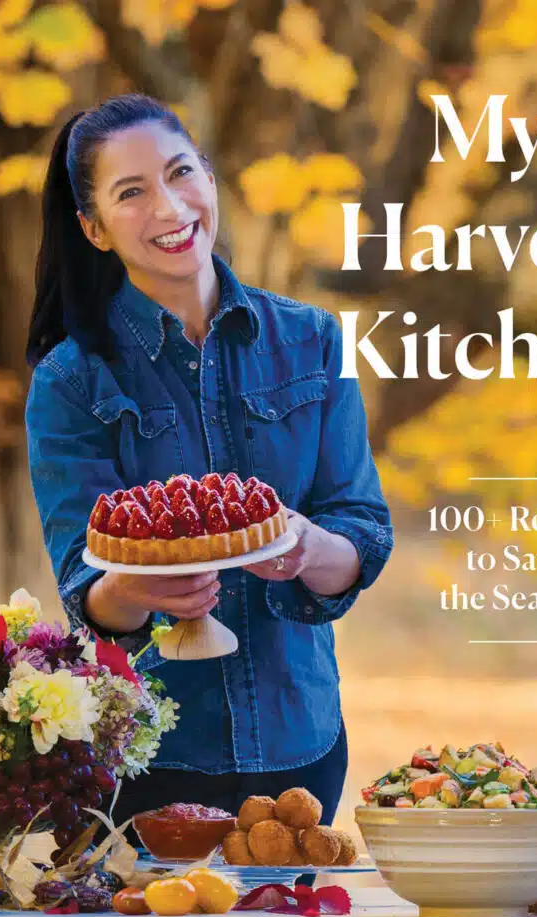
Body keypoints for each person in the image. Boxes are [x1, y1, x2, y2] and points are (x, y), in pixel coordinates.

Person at [25, 94, 393, 830]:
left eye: (180, 173)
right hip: (150, 749)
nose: (168, 206)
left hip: (302, 734)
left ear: (211, 182)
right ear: (93, 229)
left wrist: (303, 548)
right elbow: (86, 587)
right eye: (131, 193)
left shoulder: (312, 340)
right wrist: (139, 585)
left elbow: (362, 529)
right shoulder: (70, 381)